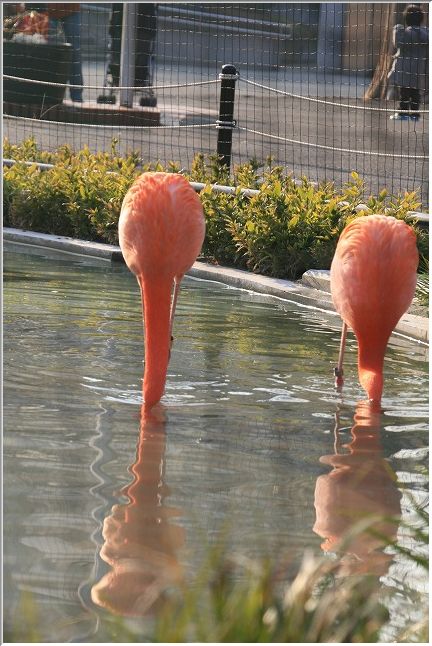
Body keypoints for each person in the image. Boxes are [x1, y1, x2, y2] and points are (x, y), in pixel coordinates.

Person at [103, 3, 157, 106]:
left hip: (121, 68)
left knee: (120, 48)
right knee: (139, 50)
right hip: (138, 69)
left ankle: (117, 82)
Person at [388, 4, 428, 121]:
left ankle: (403, 113)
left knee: (404, 92)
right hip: (418, 68)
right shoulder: (425, 34)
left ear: (407, 19)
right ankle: (415, 115)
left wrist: (397, 28)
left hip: (404, 68)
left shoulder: (404, 32)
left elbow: (397, 43)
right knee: (416, 92)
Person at [47, 3, 83, 102]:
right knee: (48, 52)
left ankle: (76, 96)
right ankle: (50, 94)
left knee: (74, 53)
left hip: (70, 8)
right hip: (48, 10)